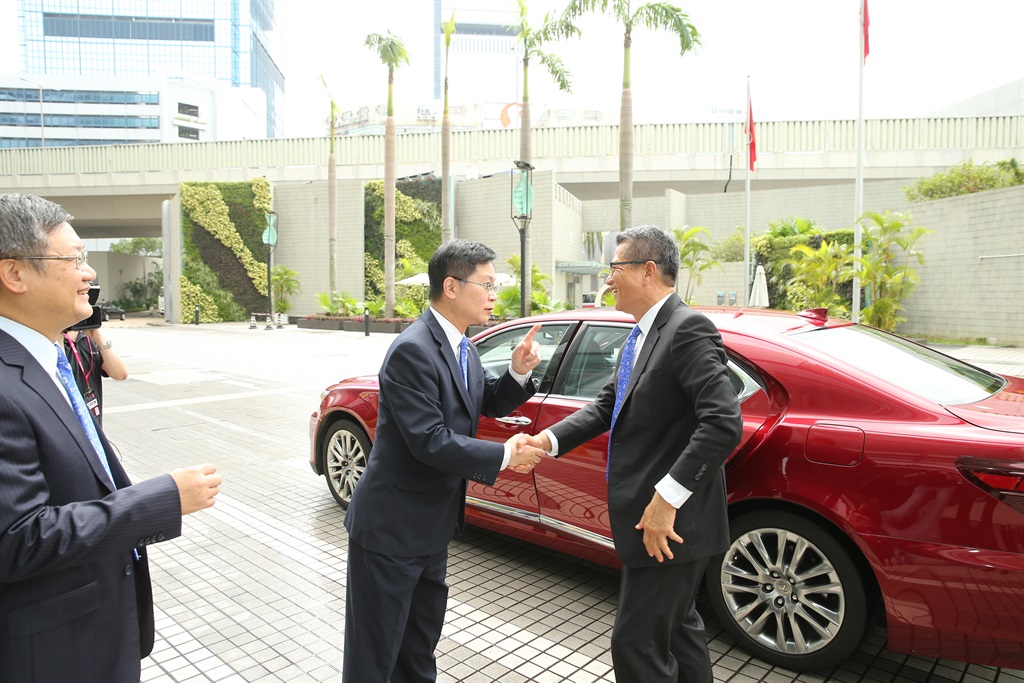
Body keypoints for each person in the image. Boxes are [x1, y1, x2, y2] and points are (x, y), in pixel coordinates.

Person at [0, 193, 222, 683]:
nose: (89, 274)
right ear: (14, 274)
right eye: (73, 260)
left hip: (94, 631)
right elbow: (17, 538)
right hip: (51, 655)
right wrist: (161, 499)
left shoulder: (48, 357)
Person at [527, 225, 743, 683]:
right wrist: (544, 441)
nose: (608, 280)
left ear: (647, 271)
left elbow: (723, 422)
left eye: (615, 268)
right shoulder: (644, 333)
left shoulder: (686, 329)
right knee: (678, 633)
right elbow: (607, 406)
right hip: (657, 523)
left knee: (636, 646)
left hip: (668, 525)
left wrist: (666, 500)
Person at [342, 239, 546, 683]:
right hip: (391, 529)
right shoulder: (413, 349)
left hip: (431, 528)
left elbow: (487, 399)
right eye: (486, 285)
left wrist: (518, 371)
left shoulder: (463, 346)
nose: (493, 295)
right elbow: (429, 440)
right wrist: (506, 455)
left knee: (418, 650)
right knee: (374, 658)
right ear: (451, 287)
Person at [63, 326, 128, 425]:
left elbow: (120, 374)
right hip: (68, 423)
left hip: (93, 425)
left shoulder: (88, 338)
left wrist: (98, 337)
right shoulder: (54, 341)